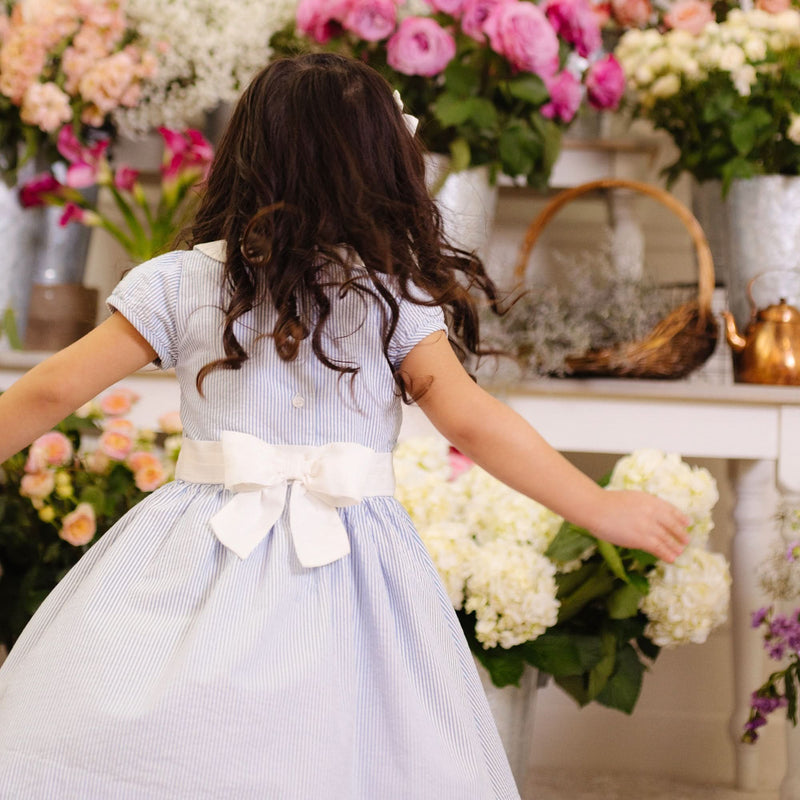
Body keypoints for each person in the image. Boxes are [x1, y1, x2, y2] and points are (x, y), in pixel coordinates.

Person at [0, 53, 688, 799]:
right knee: (350, 744)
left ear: (243, 152)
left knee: (183, 733)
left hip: (200, 543)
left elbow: (50, 391)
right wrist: (598, 506)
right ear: (382, 165)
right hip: (356, 561)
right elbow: (476, 423)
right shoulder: (391, 296)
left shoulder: (181, 281)